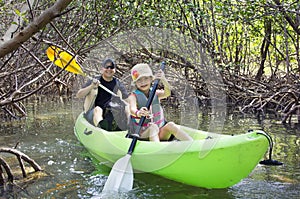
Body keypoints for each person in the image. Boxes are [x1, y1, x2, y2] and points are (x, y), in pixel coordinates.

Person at [128, 63, 193, 142]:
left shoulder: (155, 93)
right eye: (139, 80)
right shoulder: (133, 96)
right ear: (135, 83)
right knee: (153, 127)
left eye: (145, 78)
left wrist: (163, 79)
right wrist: (139, 113)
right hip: (142, 134)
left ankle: (192, 143)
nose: (143, 82)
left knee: (171, 125)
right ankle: (157, 150)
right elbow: (132, 109)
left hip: (159, 132)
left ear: (151, 79)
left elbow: (167, 93)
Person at [76, 58, 129, 131]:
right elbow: (79, 95)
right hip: (94, 112)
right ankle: (100, 129)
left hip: (111, 112)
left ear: (115, 70)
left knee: (127, 107)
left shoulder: (118, 84)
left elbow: (127, 100)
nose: (109, 69)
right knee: (98, 109)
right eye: (106, 67)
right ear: (102, 69)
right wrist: (91, 86)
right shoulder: (94, 80)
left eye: (111, 67)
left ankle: (130, 127)